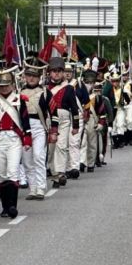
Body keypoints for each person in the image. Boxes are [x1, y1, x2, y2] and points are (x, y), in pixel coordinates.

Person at [0, 66, 31, 218]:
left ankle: (13, 206)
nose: (4, 88)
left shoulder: (19, 100)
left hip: (14, 139)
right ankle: (5, 207)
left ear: (13, 85)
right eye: (2, 86)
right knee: (2, 174)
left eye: (7, 85)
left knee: (13, 171)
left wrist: (27, 138)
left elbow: (25, 119)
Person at [45, 57, 78, 187]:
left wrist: (75, 126)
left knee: (61, 147)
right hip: (49, 120)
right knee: (51, 148)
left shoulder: (69, 88)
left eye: (59, 71)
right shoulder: (45, 88)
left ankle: (60, 173)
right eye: (54, 71)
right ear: (50, 73)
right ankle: (53, 172)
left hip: (64, 121)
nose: (57, 73)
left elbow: (74, 108)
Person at [21, 58, 49, 199]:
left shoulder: (44, 92)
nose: (31, 78)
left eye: (34, 76)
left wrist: (53, 130)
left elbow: (52, 112)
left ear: (39, 77)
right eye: (29, 75)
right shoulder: (19, 92)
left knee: (38, 156)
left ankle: (41, 187)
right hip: (24, 128)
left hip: (38, 127)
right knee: (27, 161)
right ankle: (32, 188)